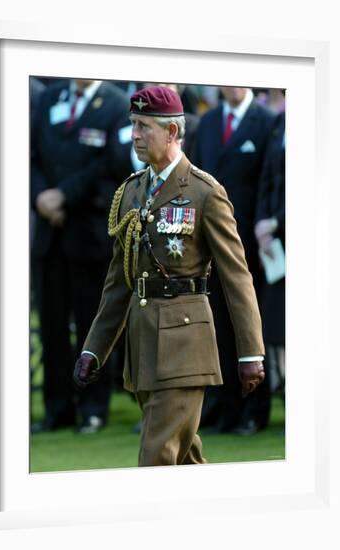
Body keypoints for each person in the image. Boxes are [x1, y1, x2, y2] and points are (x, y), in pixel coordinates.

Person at [73, 85, 265, 466]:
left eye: (145, 126)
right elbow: (119, 282)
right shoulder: (131, 191)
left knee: (156, 458)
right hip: (143, 349)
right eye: (133, 124)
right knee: (183, 460)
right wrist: (94, 347)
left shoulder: (204, 192)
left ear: (172, 132)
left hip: (185, 348)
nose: (135, 135)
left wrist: (251, 352)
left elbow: (236, 276)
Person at [30, 78, 133, 434]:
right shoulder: (48, 98)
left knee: (93, 326)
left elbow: (111, 165)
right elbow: (30, 155)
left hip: (89, 232)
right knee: (52, 326)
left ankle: (92, 407)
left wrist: (64, 195)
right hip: (49, 231)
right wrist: (41, 196)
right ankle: (57, 409)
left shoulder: (118, 103)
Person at [194, 86, 275, 435]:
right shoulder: (209, 122)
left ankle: (254, 411)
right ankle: (226, 410)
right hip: (209, 245)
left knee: (250, 327)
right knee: (218, 329)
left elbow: (268, 182)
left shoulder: (266, 122)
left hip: (249, 247)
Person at [255, 110, 286, 400]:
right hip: (275, 246)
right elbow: (267, 178)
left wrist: (277, 220)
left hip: (296, 235)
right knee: (277, 327)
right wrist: (262, 223)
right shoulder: (280, 122)